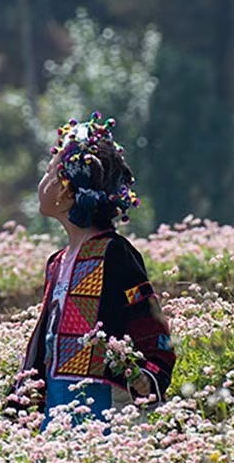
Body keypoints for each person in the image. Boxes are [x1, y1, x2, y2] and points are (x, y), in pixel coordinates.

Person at [15, 114, 176, 424]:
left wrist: (148, 373)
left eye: (49, 172)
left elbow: (147, 317)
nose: (42, 180)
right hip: (57, 403)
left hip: (104, 402)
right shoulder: (57, 262)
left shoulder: (114, 253)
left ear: (66, 192)